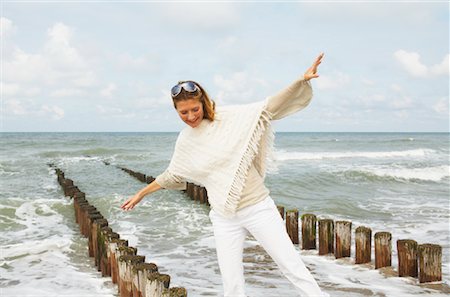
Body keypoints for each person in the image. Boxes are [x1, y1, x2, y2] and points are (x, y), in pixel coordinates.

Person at [121, 53, 326, 297]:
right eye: (183, 113)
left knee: (291, 267)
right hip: (223, 216)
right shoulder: (185, 140)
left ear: (203, 102)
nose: (190, 117)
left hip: (257, 207)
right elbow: (172, 174)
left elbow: (268, 106)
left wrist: (300, 81)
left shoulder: (230, 118)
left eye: (194, 109)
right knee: (231, 283)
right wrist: (141, 193)